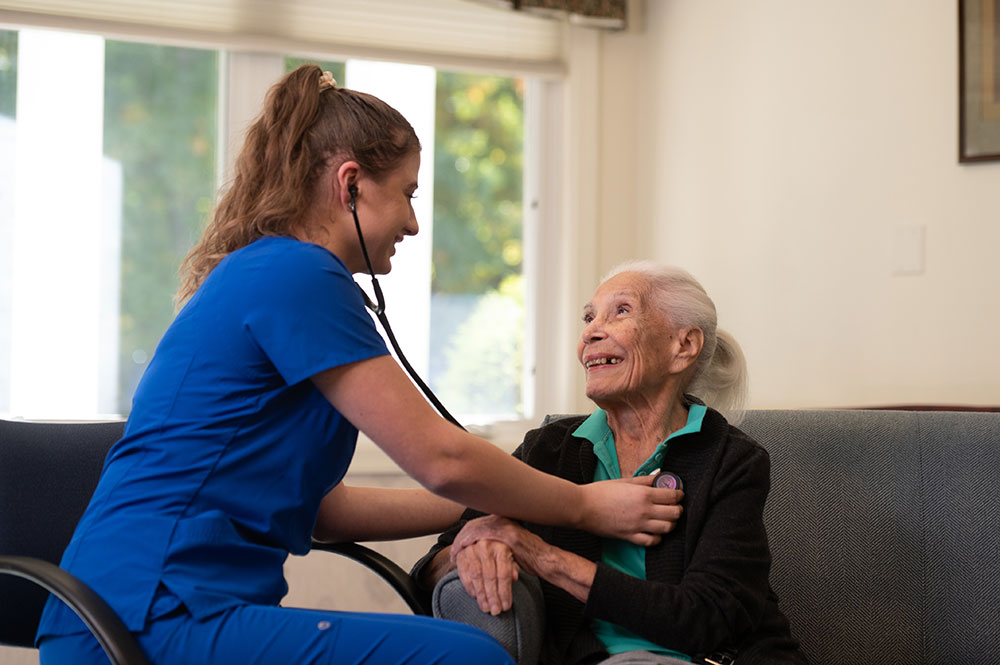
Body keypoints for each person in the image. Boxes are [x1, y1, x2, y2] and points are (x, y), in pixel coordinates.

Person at [35, 66, 682, 665]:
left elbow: (322, 510)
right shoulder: (298, 273)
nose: (413, 222)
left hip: (127, 612)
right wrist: (583, 506)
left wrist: (468, 513)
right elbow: (443, 457)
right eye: (405, 193)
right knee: (470, 657)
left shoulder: (270, 272)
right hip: (146, 617)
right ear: (349, 184)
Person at [414, 262, 808, 665]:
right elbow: (431, 567)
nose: (590, 332)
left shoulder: (732, 459)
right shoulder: (550, 448)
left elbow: (709, 616)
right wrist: (476, 544)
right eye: (588, 317)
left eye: (620, 311)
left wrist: (544, 557)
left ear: (683, 346)